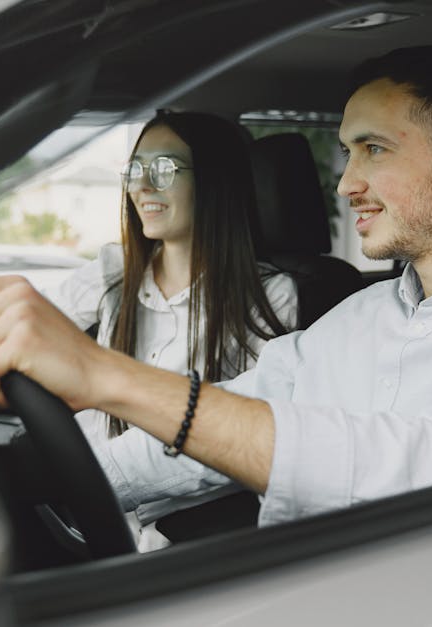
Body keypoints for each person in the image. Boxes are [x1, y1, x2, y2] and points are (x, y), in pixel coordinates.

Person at [0, 45, 432, 529]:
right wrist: (18, 482)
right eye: (346, 152)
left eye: (374, 149)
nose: (348, 181)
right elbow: (213, 429)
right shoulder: (352, 321)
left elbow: (429, 463)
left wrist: (106, 377)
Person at [40, 111, 297, 549]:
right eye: (136, 169)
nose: (141, 187)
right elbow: (31, 327)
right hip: (85, 514)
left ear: (213, 182)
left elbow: (244, 435)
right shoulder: (114, 271)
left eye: (163, 169)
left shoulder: (271, 295)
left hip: (178, 535)